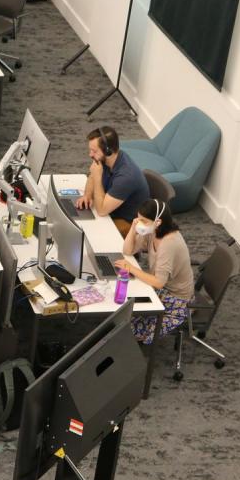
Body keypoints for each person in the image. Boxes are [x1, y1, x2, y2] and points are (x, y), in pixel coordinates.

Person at [115, 199, 194, 345]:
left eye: (143, 221)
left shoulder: (168, 242)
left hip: (176, 298)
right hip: (161, 286)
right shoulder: (153, 232)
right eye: (138, 219)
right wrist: (134, 227)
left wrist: (130, 268)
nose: (140, 223)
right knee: (123, 314)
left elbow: (158, 282)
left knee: (129, 329)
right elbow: (127, 250)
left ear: (158, 222)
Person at [75, 126, 150, 237]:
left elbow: (101, 210)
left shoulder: (126, 176)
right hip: (111, 211)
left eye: (94, 151)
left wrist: (97, 176)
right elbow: (92, 176)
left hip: (128, 223)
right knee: (79, 222)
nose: (90, 155)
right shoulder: (107, 158)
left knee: (89, 233)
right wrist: (87, 195)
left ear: (108, 151)